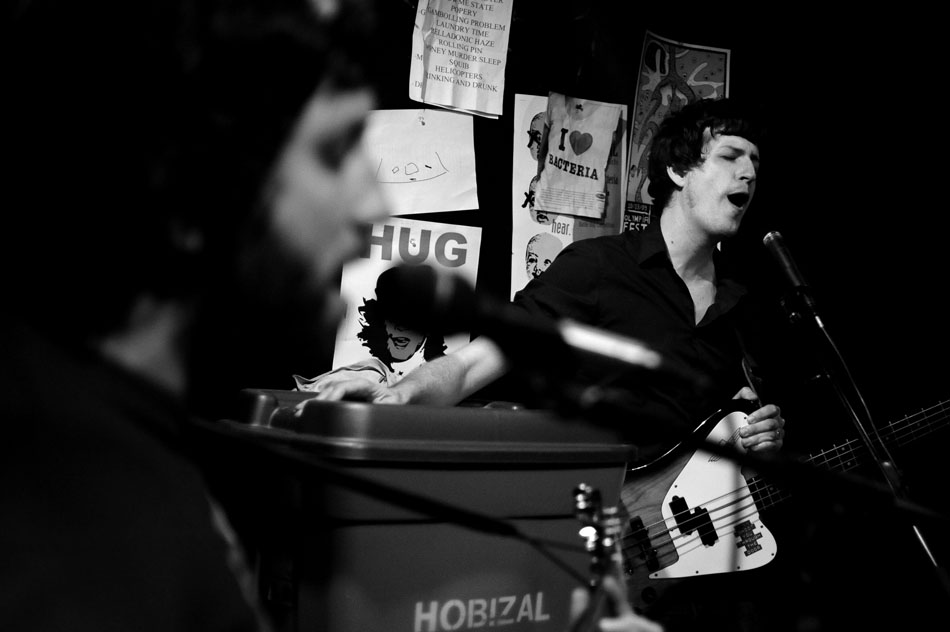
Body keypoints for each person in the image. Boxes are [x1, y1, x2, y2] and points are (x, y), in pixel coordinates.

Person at [310, 97, 789, 630]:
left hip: (706, 578)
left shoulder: (744, 307)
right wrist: (399, 395)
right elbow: (478, 362)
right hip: (586, 548)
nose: (748, 172)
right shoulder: (598, 270)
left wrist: (760, 438)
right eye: (730, 155)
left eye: (756, 164)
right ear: (678, 170)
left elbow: (726, 430)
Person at [1, 0, 388, 630]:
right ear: (190, 185)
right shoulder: (74, 523)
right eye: (334, 151)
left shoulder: (104, 430)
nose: (375, 206)